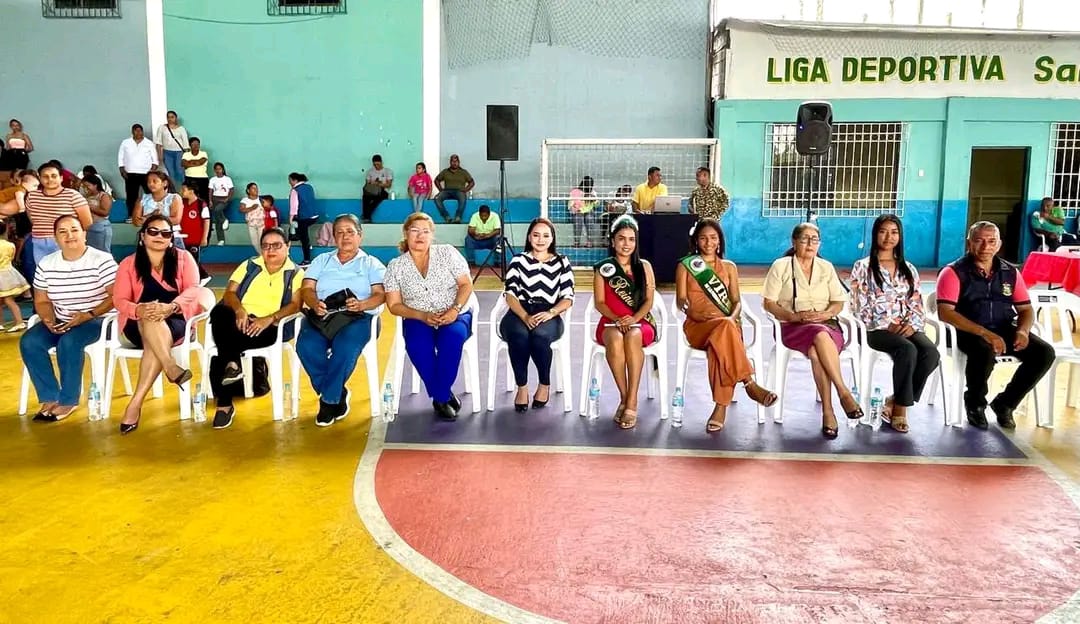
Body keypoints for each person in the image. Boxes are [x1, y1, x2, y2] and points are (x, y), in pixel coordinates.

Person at [935, 221, 1055, 430]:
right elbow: (946, 312)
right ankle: (975, 403)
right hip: (965, 331)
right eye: (979, 241)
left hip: (1002, 327)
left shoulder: (1010, 272)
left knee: (1044, 353)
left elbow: (1026, 309)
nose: (985, 247)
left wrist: (1023, 331)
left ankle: (1005, 403)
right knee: (984, 350)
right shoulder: (953, 272)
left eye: (991, 241)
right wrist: (985, 333)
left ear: (999, 245)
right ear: (969, 243)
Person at [113, 215, 212, 434]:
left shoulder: (184, 258)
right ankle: (170, 365)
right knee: (149, 316)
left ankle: (135, 404)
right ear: (142, 235)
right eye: (153, 231)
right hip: (135, 323)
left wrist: (171, 307)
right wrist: (138, 310)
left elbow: (193, 290)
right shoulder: (128, 264)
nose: (159, 236)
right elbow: (119, 300)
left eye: (166, 233)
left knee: (153, 330)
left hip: (176, 320)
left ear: (171, 238)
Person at [761, 222, 862, 439]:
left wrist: (825, 314)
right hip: (792, 326)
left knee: (817, 348)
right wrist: (792, 316)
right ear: (794, 242)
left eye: (814, 240)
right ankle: (844, 393)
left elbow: (838, 302)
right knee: (818, 334)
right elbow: (769, 303)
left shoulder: (826, 267)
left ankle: (828, 411)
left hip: (827, 325)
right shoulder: (781, 266)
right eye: (804, 239)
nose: (810, 244)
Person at [675, 219, 776, 432]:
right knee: (722, 333)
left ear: (719, 241)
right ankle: (749, 383)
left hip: (727, 325)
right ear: (696, 241)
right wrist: (692, 312)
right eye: (703, 238)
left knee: (719, 345)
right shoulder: (685, 266)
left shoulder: (729, 267)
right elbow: (680, 300)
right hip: (698, 326)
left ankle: (720, 408)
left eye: (713, 238)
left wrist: (732, 318)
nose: (708, 242)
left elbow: (737, 301)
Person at [20, 215, 117, 422]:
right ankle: (50, 396)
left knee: (70, 342)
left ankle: (68, 400)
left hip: (99, 320)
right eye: (62, 232)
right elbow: (42, 300)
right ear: (55, 238)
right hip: (63, 319)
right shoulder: (47, 263)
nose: (69, 235)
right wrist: (49, 320)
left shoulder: (102, 260)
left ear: (84, 234)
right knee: (30, 342)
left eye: (74, 230)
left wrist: (88, 315)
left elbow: (116, 296)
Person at [849, 215, 939, 433]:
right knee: (907, 350)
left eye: (894, 232)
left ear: (900, 236)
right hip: (874, 329)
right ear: (875, 235)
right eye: (883, 231)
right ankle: (901, 410)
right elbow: (858, 306)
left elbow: (916, 304)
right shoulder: (863, 267)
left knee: (930, 353)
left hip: (905, 326)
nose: (889, 237)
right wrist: (887, 324)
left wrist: (911, 325)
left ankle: (894, 400)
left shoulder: (909, 268)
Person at [208, 227, 304, 429]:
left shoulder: (296, 273)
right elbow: (229, 293)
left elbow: (296, 305)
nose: (271, 250)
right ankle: (232, 366)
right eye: (266, 246)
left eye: (276, 245)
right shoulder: (249, 265)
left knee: (226, 344)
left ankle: (225, 402)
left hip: (269, 327)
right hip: (238, 320)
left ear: (288, 247)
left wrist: (269, 318)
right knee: (219, 312)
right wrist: (239, 310)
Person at [296, 214, 386, 426]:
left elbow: (380, 295)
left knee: (345, 348)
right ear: (334, 237)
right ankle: (337, 392)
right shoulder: (322, 260)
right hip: (323, 314)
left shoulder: (371, 264)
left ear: (360, 236)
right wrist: (314, 303)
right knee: (306, 346)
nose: (345, 237)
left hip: (358, 317)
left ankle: (328, 401)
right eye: (340, 232)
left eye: (350, 232)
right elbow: (306, 288)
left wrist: (362, 304)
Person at [385, 213, 473, 421]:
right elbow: (394, 305)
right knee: (417, 345)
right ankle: (444, 396)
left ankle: (440, 396)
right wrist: (422, 315)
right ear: (406, 233)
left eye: (425, 231)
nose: (420, 236)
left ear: (432, 235)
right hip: (417, 316)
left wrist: (454, 310)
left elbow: (466, 284)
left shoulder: (447, 253)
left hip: (455, 313)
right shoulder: (395, 266)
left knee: (452, 338)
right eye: (415, 230)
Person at [500, 218, 574, 411]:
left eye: (546, 235)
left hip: (549, 312)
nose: (541, 240)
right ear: (529, 237)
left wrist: (551, 312)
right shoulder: (518, 260)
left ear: (552, 238)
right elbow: (510, 294)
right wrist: (524, 316)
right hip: (519, 311)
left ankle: (544, 384)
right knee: (519, 336)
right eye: (536, 235)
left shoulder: (562, 261)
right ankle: (522, 387)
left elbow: (568, 297)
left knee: (540, 336)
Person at [593, 215, 657, 429]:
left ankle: (632, 401)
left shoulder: (644, 267)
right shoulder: (603, 268)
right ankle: (625, 396)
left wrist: (634, 318)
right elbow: (600, 303)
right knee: (615, 339)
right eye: (621, 239)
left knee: (633, 335)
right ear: (613, 241)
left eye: (631, 239)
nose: (626, 244)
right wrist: (617, 319)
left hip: (641, 322)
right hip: (610, 322)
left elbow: (648, 301)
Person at [24, 162, 93, 283]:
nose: (50, 179)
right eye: (45, 176)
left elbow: (87, 222)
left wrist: (71, 236)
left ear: (61, 178)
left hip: (65, 241)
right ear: (39, 179)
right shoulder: (32, 196)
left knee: (67, 276)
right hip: (39, 242)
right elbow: (33, 218)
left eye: (54, 176)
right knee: (45, 276)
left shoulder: (73, 195)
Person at [118, 123, 159, 220]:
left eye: (140, 131)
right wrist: (122, 170)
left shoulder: (149, 143)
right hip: (130, 173)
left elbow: (155, 159)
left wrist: (152, 171)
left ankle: (151, 214)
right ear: (132, 132)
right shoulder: (125, 142)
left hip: (146, 173)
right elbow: (120, 156)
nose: (138, 133)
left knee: (150, 194)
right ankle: (132, 215)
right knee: (131, 196)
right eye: (136, 131)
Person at [178, 182, 210, 279]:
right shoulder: (180, 202)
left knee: (193, 260)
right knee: (182, 260)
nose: (181, 192)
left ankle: (200, 277)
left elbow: (206, 221)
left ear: (191, 191)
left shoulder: (201, 204)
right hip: (181, 239)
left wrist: (204, 238)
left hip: (195, 239)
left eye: (183, 189)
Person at [0, 223, 29, 331]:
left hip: (2, 275)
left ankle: (19, 322)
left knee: (8, 300)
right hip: (9, 272)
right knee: (6, 300)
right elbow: (11, 257)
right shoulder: (10, 245)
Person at [288, 172, 321, 264]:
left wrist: (290, 219)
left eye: (290, 180)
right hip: (314, 216)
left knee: (304, 238)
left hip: (304, 218)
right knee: (301, 229)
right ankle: (303, 240)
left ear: (295, 180)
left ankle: (306, 259)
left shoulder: (295, 190)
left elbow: (294, 207)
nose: (289, 183)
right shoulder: (309, 187)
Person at [433, 154, 474, 224]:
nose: (454, 163)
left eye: (456, 161)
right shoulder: (445, 171)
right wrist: (441, 189)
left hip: (459, 191)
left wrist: (465, 190)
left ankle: (458, 217)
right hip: (447, 191)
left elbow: (472, 182)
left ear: (459, 162)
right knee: (437, 198)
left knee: (463, 198)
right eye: (453, 161)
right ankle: (446, 217)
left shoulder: (464, 172)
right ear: (450, 162)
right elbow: (436, 180)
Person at [154, 110, 189, 184]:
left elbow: (186, 144)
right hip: (167, 152)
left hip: (179, 152)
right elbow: (158, 143)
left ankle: (184, 187)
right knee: (171, 172)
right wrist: (159, 155)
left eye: (172, 117)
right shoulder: (162, 128)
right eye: (168, 117)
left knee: (180, 171)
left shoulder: (181, 129)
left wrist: (186, 156)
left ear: (176, 118)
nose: (170, 119)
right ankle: (173, 189)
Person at [82, 174, 113, 253]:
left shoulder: (104, 196)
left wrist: (89, 206)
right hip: (89, 228)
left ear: (95, 185)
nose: (85, 188)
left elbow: (105, 212)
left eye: (87, 186)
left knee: (103, 253)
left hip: (101, 228)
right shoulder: (85, 197)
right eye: (84, 186)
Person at [361, 154, 393, 223]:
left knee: (377, 199)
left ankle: (366, 215)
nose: (376, 166)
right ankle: (367, 217)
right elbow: (367, 184)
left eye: (378, 164)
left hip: (383, 191)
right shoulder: (370, 172)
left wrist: (378, 184)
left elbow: (388, 185)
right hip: (372, 191)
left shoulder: (387, 171)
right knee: (365, 197)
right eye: (374, 165)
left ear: (381, 162)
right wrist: (373, 184)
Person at [0, 119, 33, 186]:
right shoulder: (9, 136)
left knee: (21, 171)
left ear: (19, 126)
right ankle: (12, 185)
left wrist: (23, 152)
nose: (15, 127)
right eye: (13, 125)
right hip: (11, 154)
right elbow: (8, 147)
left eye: (17, 125)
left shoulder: (24, 135)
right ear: (11, 126)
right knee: (11, 171)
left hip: (21, 154)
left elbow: (30, 147)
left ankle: (21, 185)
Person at [208, 162, 233, 245]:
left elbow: (231, 190)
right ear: (214, 170)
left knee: (217, 210)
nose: (218, 171)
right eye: (216, 169)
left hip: (224, 199)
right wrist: (210, 201)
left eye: (220, 169)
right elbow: (210, 191)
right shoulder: (212, 179)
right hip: (215, 199)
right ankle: (221, 239)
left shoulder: (227, 179)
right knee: (217, 221)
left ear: (223, 169)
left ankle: (224, 220)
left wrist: (227, 198)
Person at [569, 176, 598, 247]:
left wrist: (594, 200)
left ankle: (590, 243)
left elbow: (597, 205)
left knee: (589, 218)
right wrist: (576, 209)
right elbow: (570, 205)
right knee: (578, 218)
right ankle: (577, 242)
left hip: (589, 212)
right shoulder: (575, 192)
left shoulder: (593, 192)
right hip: (578, 211)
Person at [181, 137, 210, 203]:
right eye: (193, 144)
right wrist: (196, 162)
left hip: (202, 179)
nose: (196, 146)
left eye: (197, 144)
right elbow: (184, 164)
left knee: (203, 198)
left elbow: (200, 162)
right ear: (190, 145)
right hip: (189, 178)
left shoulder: (203, 153)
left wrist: (189, 163)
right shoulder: (186, 154)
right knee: (189, 198)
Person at [239, 182, 264, 252]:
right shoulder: (245, 200)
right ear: (248, 190)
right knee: (254, 242)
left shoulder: (261, 199)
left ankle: (264, 255)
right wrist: (252, 208)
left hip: (262, 224)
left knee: (262, 240)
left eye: (256, 188)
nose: (256, 190)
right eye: (253, 188)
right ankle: (261, 254)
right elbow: (241, 209)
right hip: (251, 225)